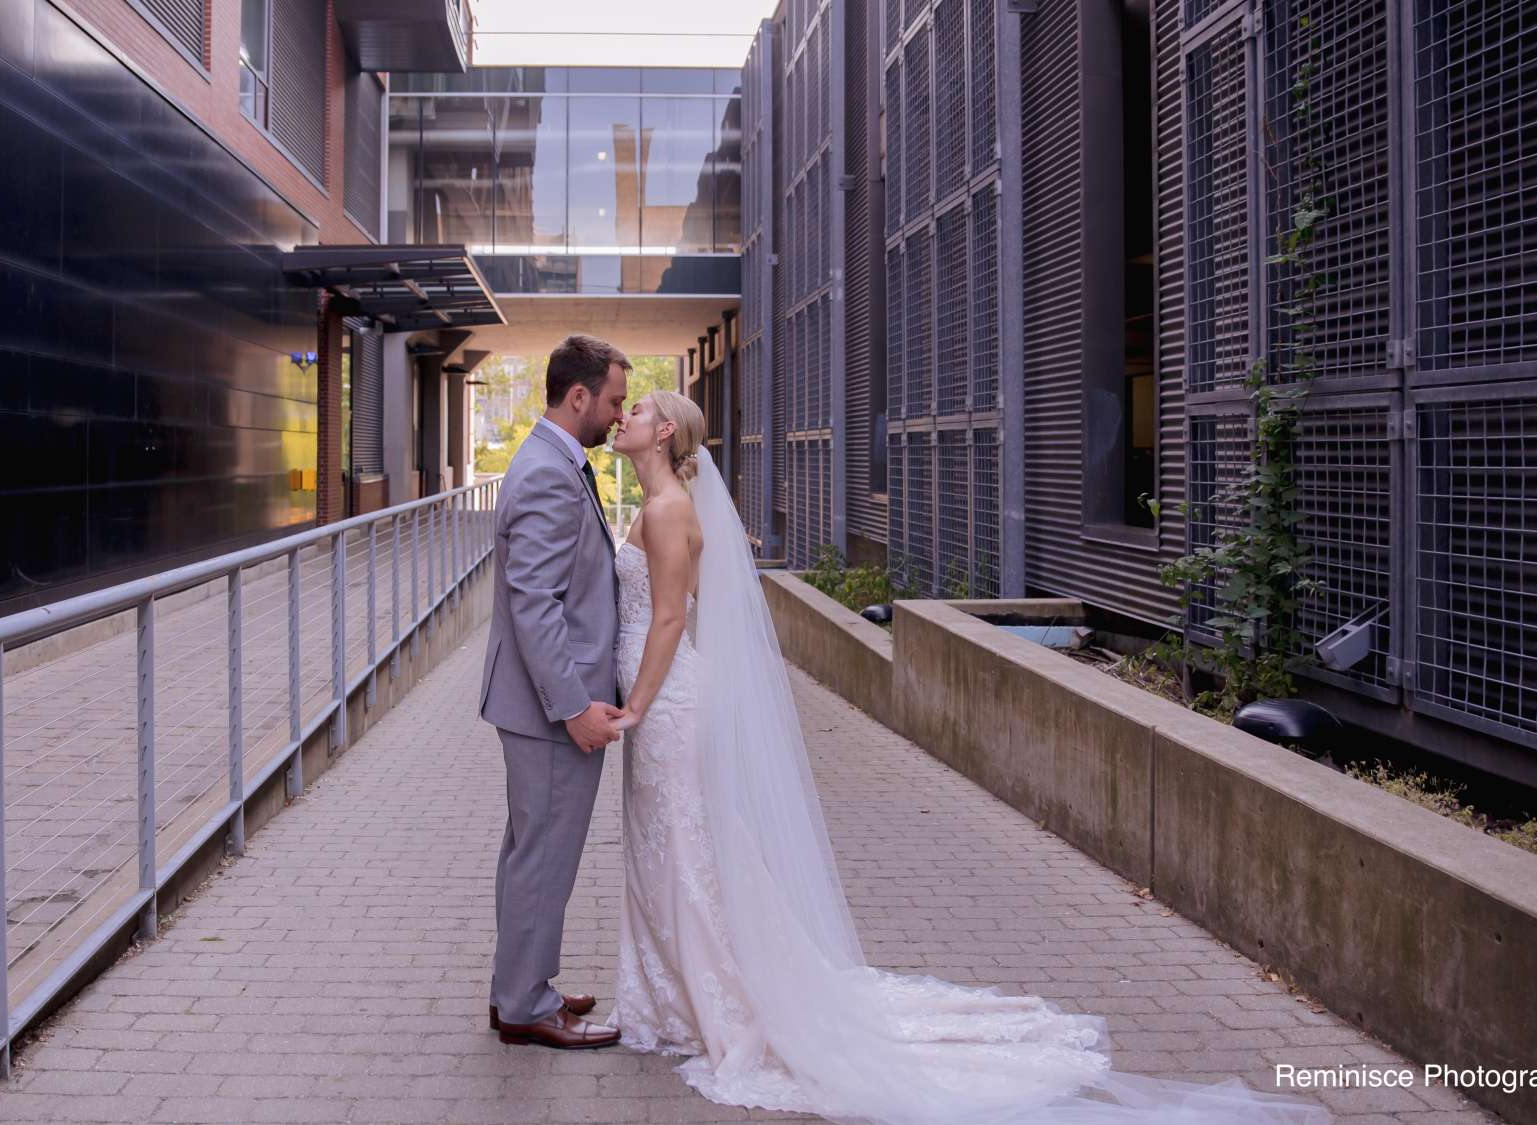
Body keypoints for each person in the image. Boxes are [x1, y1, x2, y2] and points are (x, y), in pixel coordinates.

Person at [603, 388, 1329, 1124]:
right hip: (663, 702)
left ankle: (705, 998)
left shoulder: (666, 511)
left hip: (667, 705)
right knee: (673, 850)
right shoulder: (656, 505)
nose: (622, 418)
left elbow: (669, 617)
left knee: (686, 852)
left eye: (635, 412)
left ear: (664, 432)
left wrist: (637, 705)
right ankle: (676, 993)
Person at [477, 334, 632, 1050]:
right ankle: (524, 1005)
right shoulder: (546, 472)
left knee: (534, 852)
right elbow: (534, 602)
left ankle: (523, 984)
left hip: (540, 708)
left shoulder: (556, 462)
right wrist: (574, 707)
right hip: (549, 714)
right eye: (612, 400)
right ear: (579, 396)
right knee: (543, 855)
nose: (616, 414)